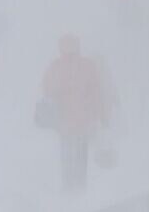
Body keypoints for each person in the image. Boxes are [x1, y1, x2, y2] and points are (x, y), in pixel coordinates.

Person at [41, 34, 109, 191]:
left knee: (67, 152)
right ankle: (79, 185)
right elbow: (97, 92)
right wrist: (101, 115)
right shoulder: (87, 65)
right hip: (81, 119)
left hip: (65, 120)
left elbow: (47, 90)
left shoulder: (56, 66)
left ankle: (69, 185)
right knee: (80, 152)